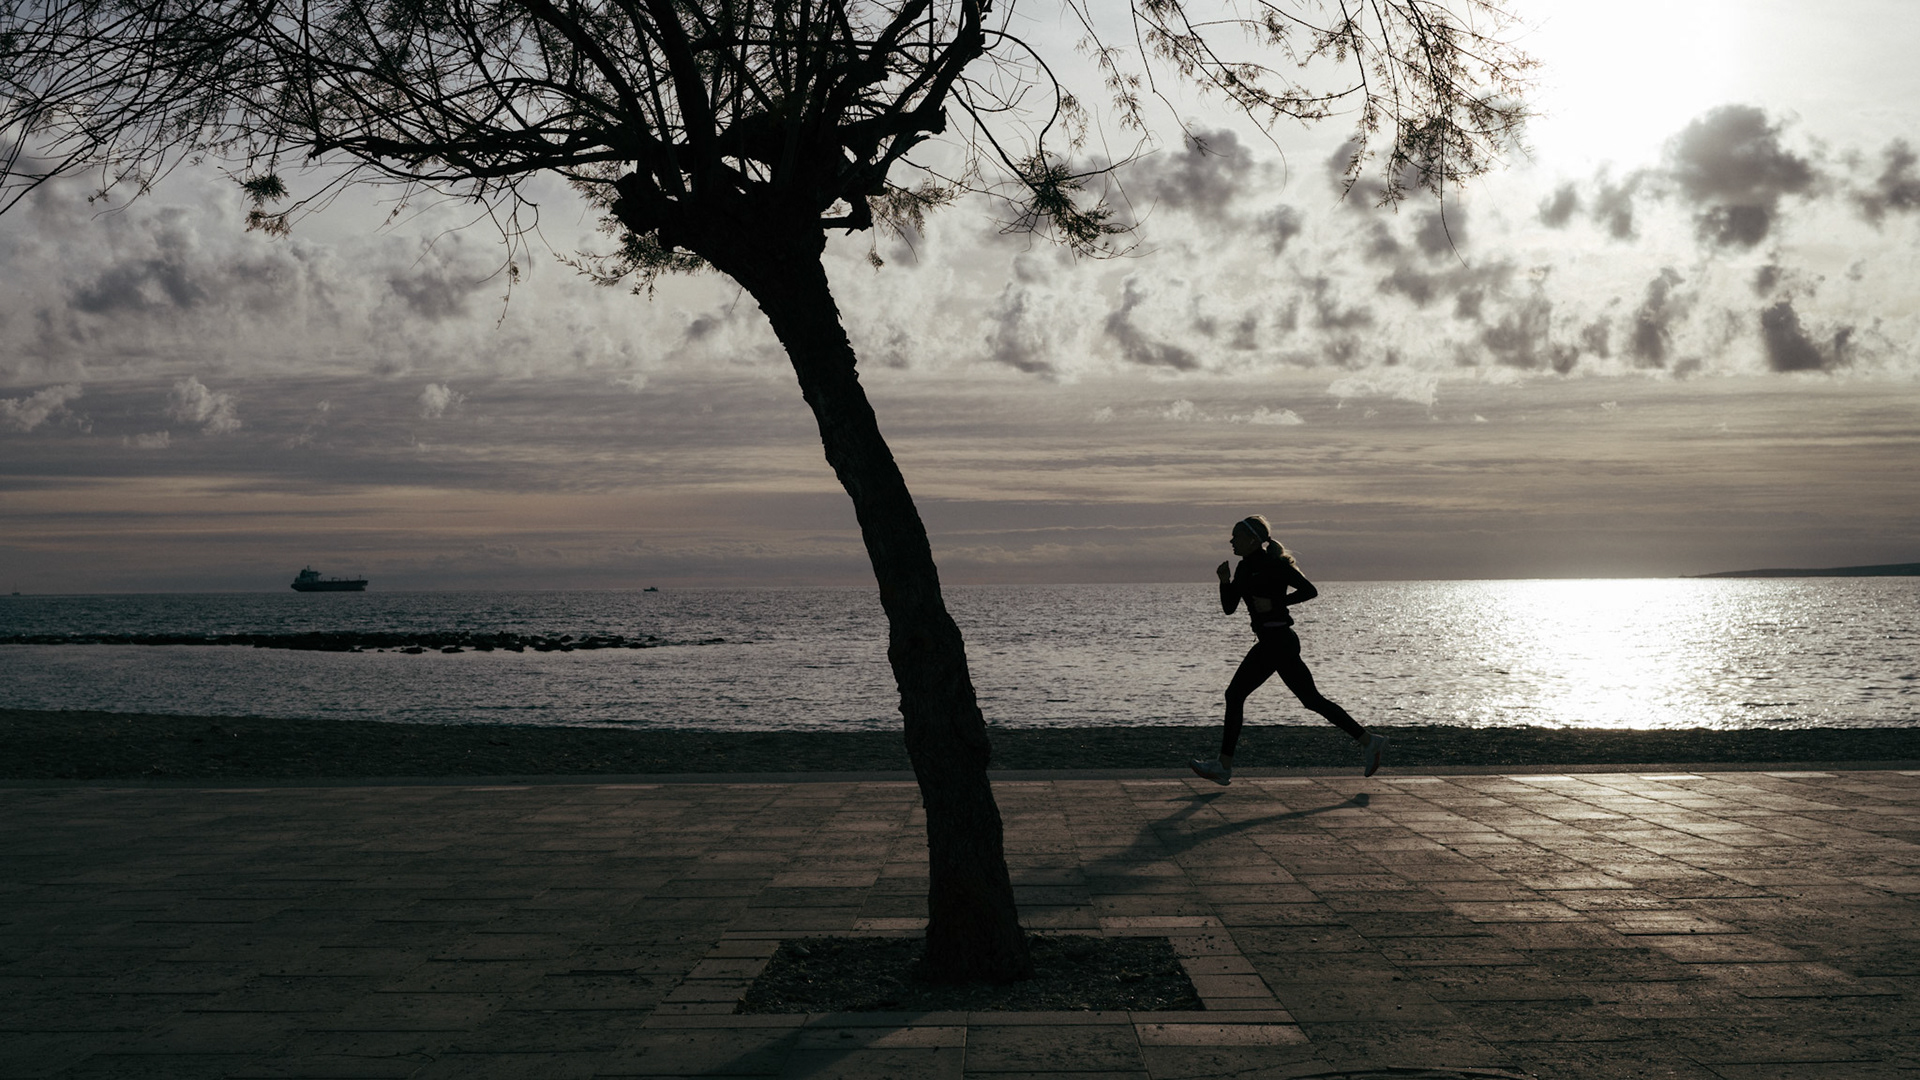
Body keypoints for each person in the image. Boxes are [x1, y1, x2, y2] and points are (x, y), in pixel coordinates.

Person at [1190, 515, 1388, 785]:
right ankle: (1368, 740)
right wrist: (1224, 581)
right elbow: (1229, 608)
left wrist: (1275, 602)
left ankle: (1224, 766)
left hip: (1279, 640)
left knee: (1235, 694)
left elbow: (1309, 590)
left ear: (1252, 539)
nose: (1231, 541)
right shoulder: (1243, 568)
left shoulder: (1273, 564)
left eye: (1236, 536)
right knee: (1311, 700)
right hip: (1273, 641)